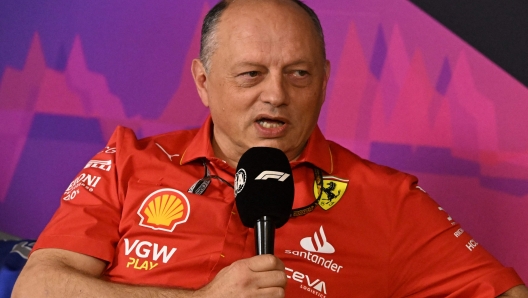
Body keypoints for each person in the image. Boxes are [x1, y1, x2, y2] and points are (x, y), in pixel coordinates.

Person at [12, 0, 528, 297]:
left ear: (324, 81)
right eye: (251, 74)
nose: (277, 94)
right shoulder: (130, 160)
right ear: (203, 81)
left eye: (298, 74)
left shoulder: (387, 199)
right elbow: (38, 288)